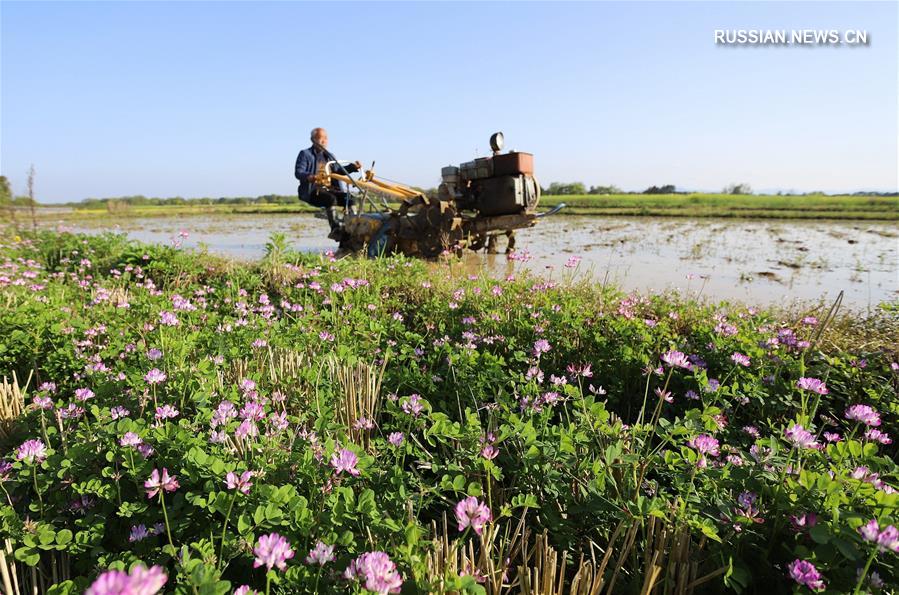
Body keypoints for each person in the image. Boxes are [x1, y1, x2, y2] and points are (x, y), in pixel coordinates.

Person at [294, 128, 362, 239]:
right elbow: (299, 172)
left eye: (326, 138)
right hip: (313, 191)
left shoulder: (329, 156)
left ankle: (353, 226)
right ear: (313, 139)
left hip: (332, 189)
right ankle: (336, 229)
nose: (324, 141)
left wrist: (353, 167)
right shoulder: (305, 154)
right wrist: (310, 177)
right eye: (321, 138)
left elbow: (338, 171)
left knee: (349, 198)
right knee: (330, 199)